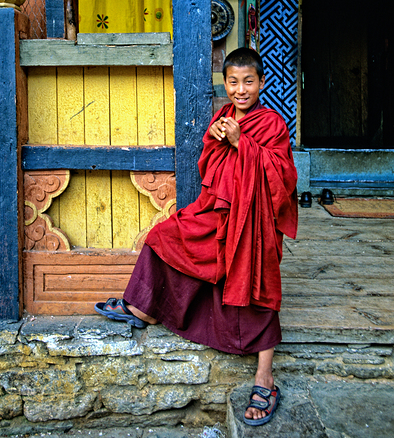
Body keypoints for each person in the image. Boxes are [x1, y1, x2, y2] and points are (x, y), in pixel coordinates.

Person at [95, 47, 298, 426]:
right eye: (233, 82)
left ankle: (265, 378)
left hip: (251, 220)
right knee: (165, 237)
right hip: (216, 212)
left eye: (248, 82)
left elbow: (283, 177)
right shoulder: (221, 117)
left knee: (258, 282)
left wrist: (243, 143)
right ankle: (143, 308)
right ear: (225, 84)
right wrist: (219, 137)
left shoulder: (271, 125)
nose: (241, 90)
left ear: (261, 83)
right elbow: (208, 163)